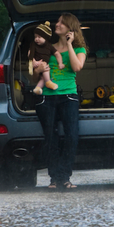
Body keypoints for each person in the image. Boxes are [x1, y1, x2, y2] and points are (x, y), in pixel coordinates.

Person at [37, 12, 86, 189]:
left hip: (69, 97)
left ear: (70, 28)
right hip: (48, 97)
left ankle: (64, 177)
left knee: (71, 136)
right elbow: (36, 72)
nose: (56, 24)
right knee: (51, 138)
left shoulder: (80, 50)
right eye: (57, 22)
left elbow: (76, 67)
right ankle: (54, 178)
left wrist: (70, 45)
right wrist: (38, 68)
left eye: (61, 23)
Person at [27, 21, 58, 96]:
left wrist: (60, 62)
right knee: (44, 68)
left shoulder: (50, 47)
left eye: (39, 37)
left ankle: (38, 88)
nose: (36, 39)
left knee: (42, 78)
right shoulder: (34, 46)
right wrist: (33, 62)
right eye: (35, 37)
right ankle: (48, 82)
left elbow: (57, 54)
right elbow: (29, 53)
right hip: (40, 64)